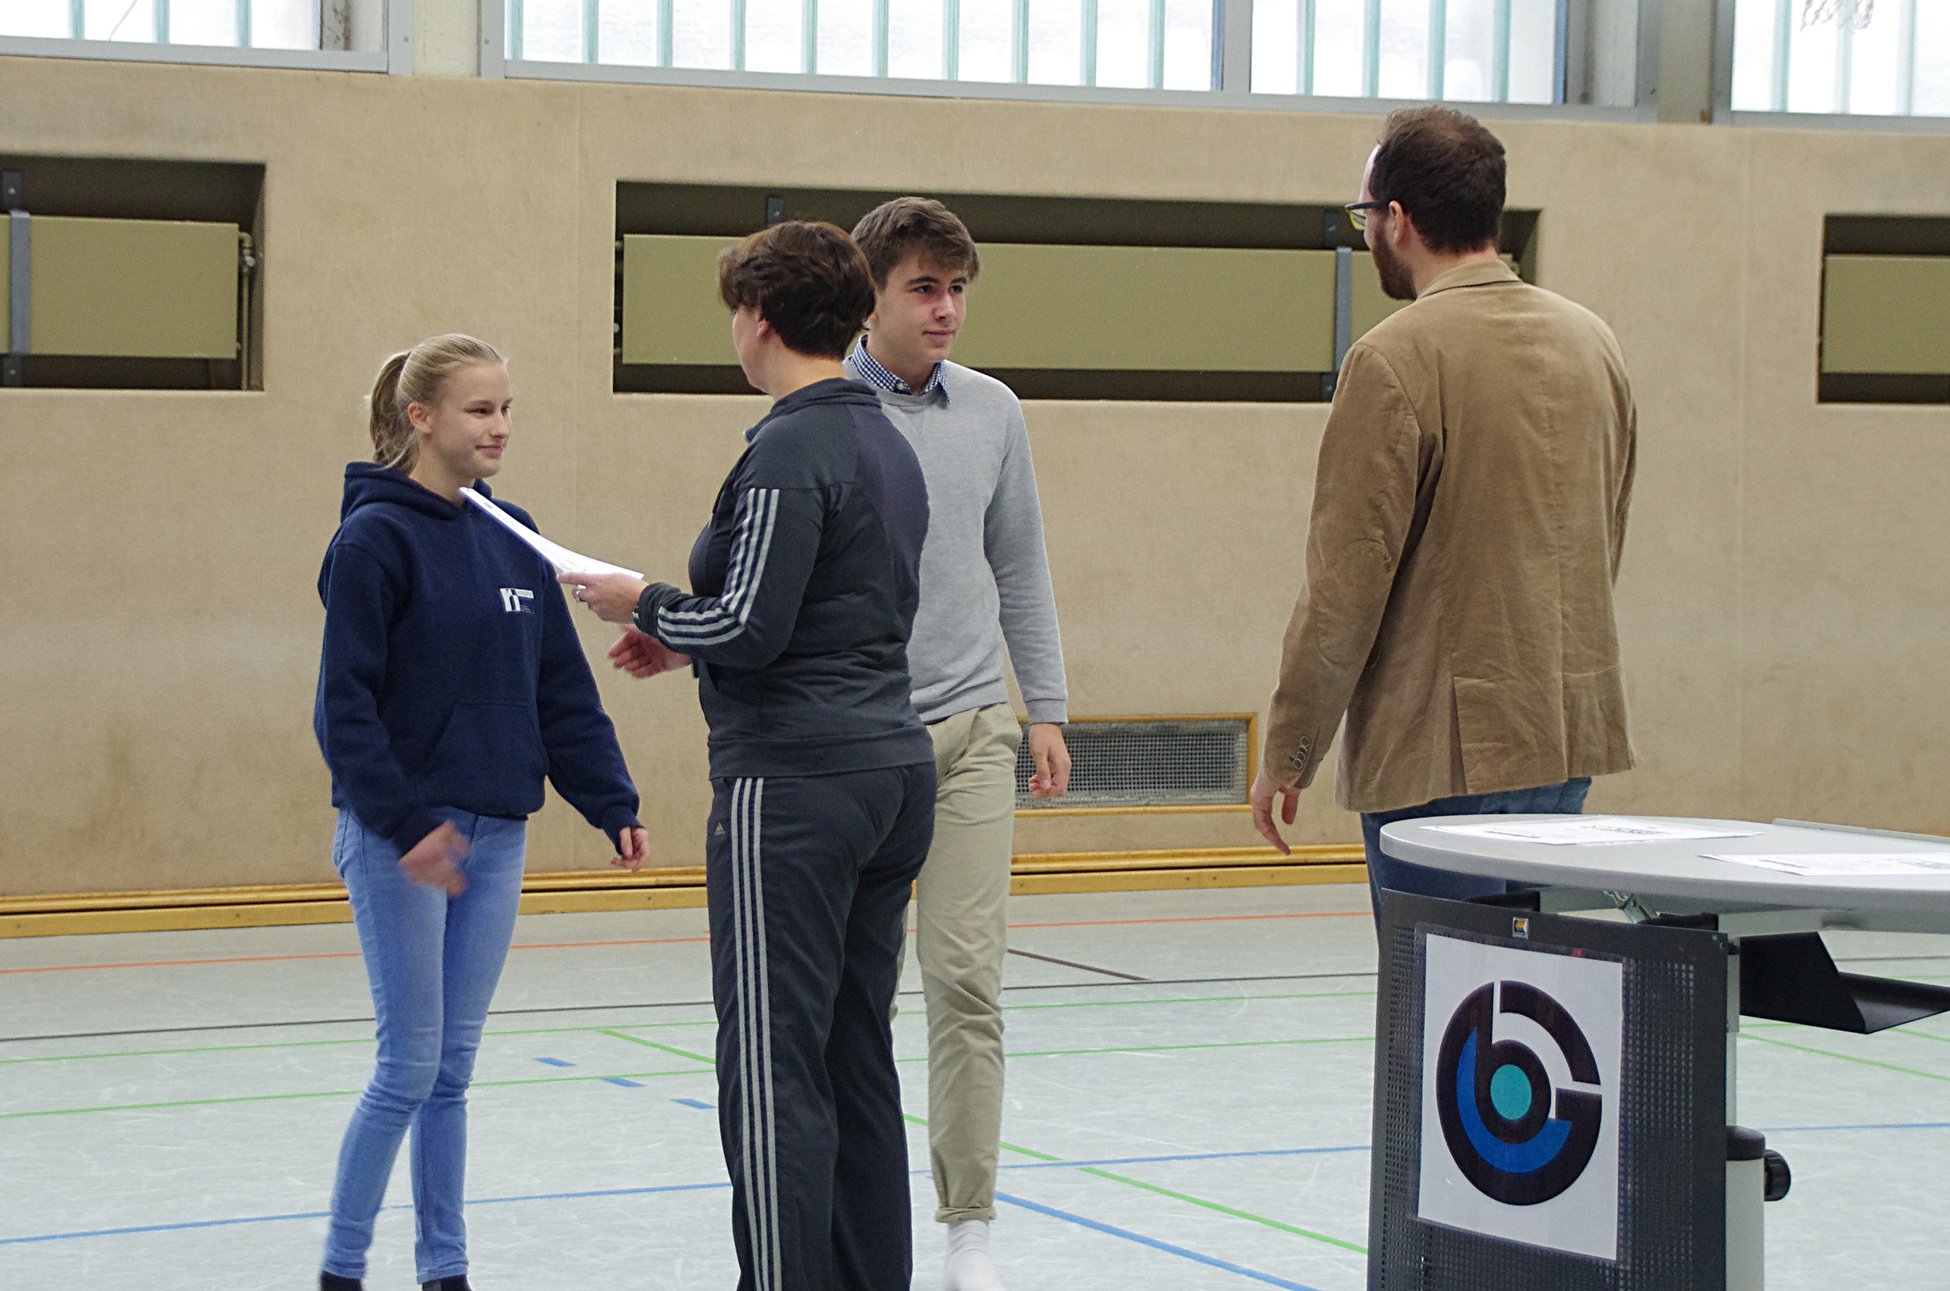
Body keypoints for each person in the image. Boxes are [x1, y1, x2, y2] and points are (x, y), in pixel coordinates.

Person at [568, 221, 936, 1291]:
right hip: (888, 769)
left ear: (759, 319)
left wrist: (644, 600)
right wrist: (687, 638)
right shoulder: (886, 441)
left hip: (798, 786)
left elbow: (751, 625)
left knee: (774, 1064)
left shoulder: (790, 446)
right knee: (853, 1054)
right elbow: (825, 608)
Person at [313, 334, 649, 1291]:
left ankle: (445, 1267)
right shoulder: (373, 540)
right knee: (407, 1067)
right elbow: (344, 710)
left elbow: (560, 687)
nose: (500, 427)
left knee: (452, 1072)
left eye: (506, 409)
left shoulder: (515, 534)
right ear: (420, 418)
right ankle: (341, 1267)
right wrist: (405, 823)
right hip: (404, 841)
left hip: (498, 836)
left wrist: (609, 797)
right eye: (479, 409)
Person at [1249, 106, 1637, 919]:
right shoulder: (1593, 342)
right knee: (1531, 993)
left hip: (1438, 755)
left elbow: (1344, 588)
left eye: (1365, 215)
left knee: (1439, 990)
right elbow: (1607, 533)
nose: (1366, 234)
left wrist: (1290, 747)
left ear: (1397, 219)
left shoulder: (1393, 357)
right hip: (1563, 736)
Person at [843, 196, 1071, 1291]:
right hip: (861, 741)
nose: (946, 309)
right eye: (923, 288)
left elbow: (1017, 561)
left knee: (968, 982)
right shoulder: (826, 408)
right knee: (857, 993)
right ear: (871, 296)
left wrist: (1046, 705)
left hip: (977, 731)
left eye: (958, 289)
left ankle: (968, 1223)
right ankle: (856, 1210)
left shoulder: (993, 410)